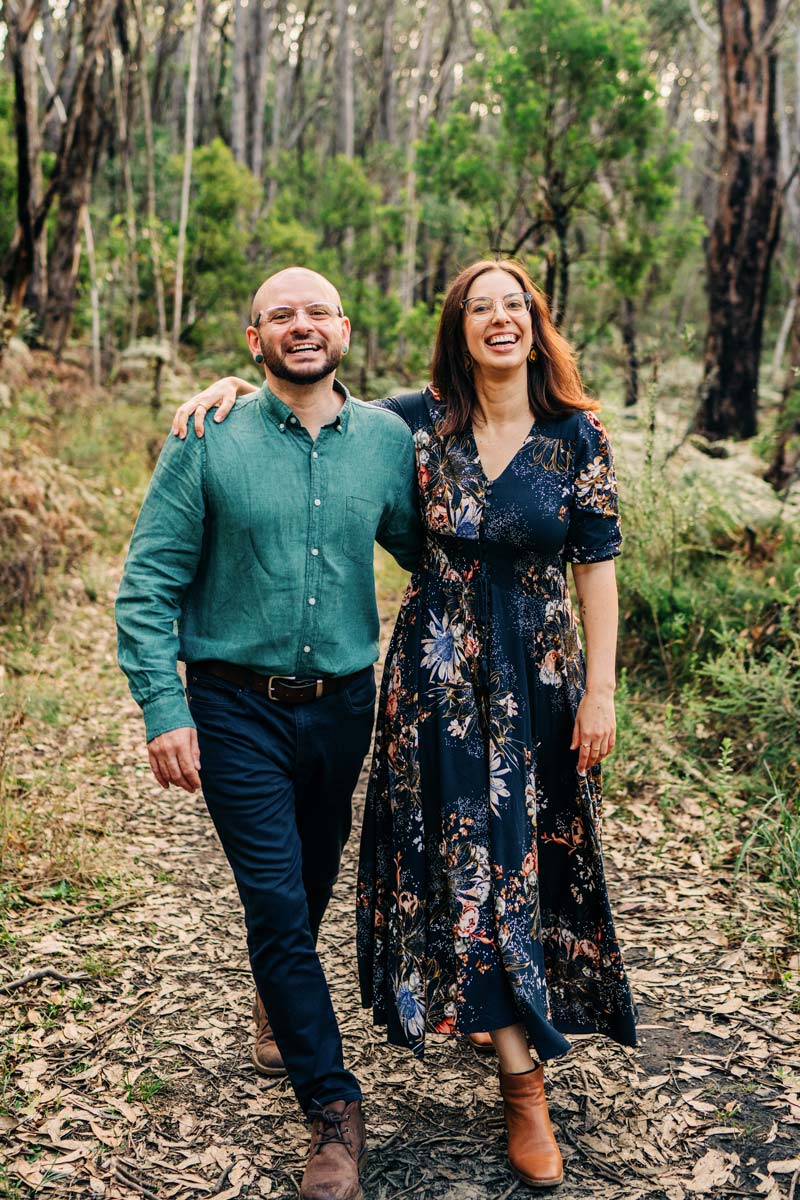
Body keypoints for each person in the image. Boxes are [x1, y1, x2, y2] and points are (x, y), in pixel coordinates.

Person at [175, 258, 637, 1191]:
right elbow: (309, 407)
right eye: (480, 308)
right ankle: (524, 1086)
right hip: (436, 683)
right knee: (470, 861)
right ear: (458, 329)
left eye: (514, 306)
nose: (499, 320)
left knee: (522, 862)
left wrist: (601, 690)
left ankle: (498, 1012)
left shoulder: (579, 434)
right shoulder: (414, 422)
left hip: (539, 684)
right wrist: (230, 389)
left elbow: (598, 565)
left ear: (535, 323)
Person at [116, 267, 421, 1200]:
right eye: (280, 315)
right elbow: (148, 585)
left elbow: (434, 553)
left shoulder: (384, 441)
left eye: (317, 311)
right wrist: (164, 710)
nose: (301, 326)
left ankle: (276, 995)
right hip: (233, 704)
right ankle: (333, 1111)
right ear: (253, 340)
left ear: (346, 328)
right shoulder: (209, 437)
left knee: (313, 878)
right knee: (278, 905)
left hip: (342, 704)